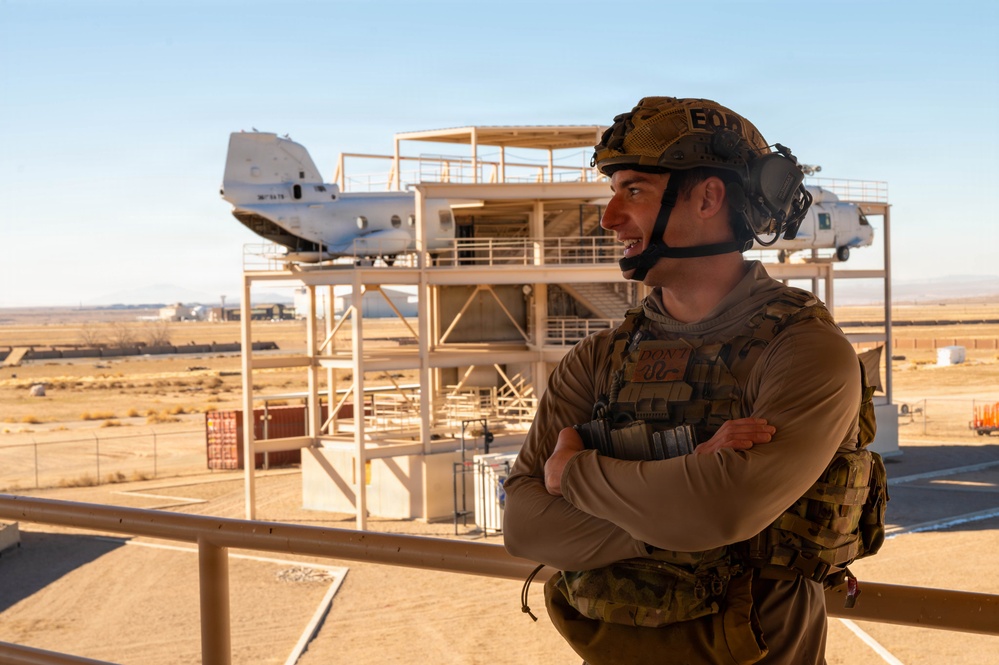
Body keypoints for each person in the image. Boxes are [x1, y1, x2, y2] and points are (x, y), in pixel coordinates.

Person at [503, 97, 884, 665]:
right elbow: (524, 526)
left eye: (633, 190)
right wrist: (680, 502)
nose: (609, 217)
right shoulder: (598, 358)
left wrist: (573, 473)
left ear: (708, 197)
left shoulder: (804, 351)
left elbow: (720, 511)